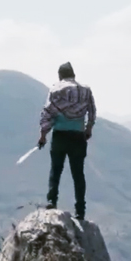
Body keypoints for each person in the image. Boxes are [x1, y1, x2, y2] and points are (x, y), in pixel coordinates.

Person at [38, 62, 96, 221]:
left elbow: (48, 113)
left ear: (60, 75)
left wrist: (43, 135)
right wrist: (88, 128)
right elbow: (92, 111)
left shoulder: (56, 89)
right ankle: (80, 211)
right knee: (78, 174)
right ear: (73, 75)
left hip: (60, 135)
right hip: (78, 136)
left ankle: (51, 201)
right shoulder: (85, 90)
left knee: (55, 170)